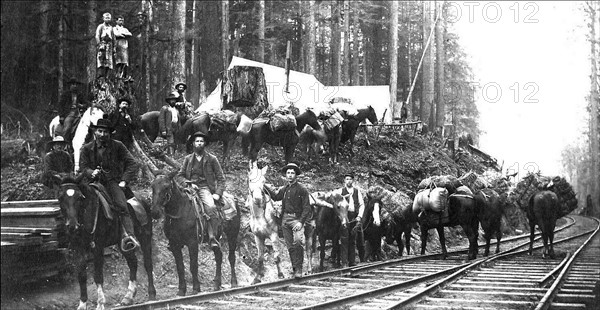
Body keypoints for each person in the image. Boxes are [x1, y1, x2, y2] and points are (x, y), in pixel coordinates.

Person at [79, 118, 140, 251]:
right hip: (92, 183)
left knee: (121, 205)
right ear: (95, 132)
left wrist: (124, 180)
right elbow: (82, 168)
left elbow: (132, 163)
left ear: (109, 133)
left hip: (112, 182)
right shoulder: (86, 148)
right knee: (78, 203)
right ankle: (80, 237)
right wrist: (91, 172)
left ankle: (128, 236)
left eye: (105, 132)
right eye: (100, 131)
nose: (102, 134)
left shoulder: (117, 145)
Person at [175, 131, 225, 249]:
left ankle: (212, 237)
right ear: (193, 143)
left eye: (201, 141)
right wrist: (189, 184)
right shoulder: (188, 159)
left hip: (204, 188)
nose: (199, 143)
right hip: (189, 188)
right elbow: (180, 175)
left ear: (205, 144)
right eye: (197, 141)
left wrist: (218, 193)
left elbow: (221, 179)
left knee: (211, 207)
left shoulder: (212, 159)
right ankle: (175, 236)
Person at [264, 163, 311, 278]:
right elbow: (275, 197)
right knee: (290, 246)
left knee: (299, 242)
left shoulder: (302, 190)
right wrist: (263, 185)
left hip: (297, 219)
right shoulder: (284, 189)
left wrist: (301, 222)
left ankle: (299, 268)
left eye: (292, 173)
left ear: (296, 175)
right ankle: (295, 269)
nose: (290, 175)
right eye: (288, 173)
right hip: (285, 219)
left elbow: (306, 207)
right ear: (286, 175)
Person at [334, 171, 365, 266]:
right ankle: (344, 262)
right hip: (344, 216)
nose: (349, 181)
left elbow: (361, 204)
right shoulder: (340, 191)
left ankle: (352, 262)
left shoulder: (357, 191)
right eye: (347, 179)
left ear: (353, 181)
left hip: (354, 217)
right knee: (344, 239)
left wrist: (359, 216)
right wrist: (340, 216)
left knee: (352, 240)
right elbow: (335, 204)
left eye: (350, 179)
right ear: (344, 181)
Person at [57, 78, 88, 142]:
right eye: (73, 84)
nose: (75, 86)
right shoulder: (66, 94)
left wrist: (82, 106)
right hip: (69, 113)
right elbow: (60, 106)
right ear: (70, 85)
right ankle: (64, 142)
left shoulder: (80, 94)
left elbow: (86, 103)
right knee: (67, 127)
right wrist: (62, 116)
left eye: (76, 84)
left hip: (79, 113)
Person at [95, 12, 115, 79]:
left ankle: (107, 75)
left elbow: (113, 37)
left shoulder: (111, 28)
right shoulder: (100, 26)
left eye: (109, 18)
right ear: (103, 18)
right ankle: (100, 74)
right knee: (101, 59)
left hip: (109, 45)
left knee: (108, 60)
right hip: (102, 44)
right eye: (106, 18)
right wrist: (99, 44)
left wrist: (114, 47)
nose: (107, 19)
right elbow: (97, 35)